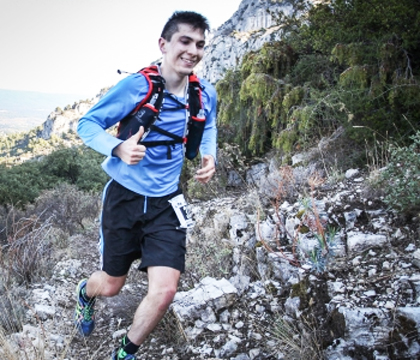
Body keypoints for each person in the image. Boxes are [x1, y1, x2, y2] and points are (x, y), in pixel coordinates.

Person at [74, 11, 217, 360]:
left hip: (168, 202)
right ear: (164, 44)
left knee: (165, 290)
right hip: (124, 197)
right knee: (111, 285)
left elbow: (208, 124)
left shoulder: (204, 92)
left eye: (199, 44)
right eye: (185, 41)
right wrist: (118, 147)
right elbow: (87, 123)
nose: (193, 50)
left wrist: (209, 156)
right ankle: (85, 294)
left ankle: (125, 352)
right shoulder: (138, 86)